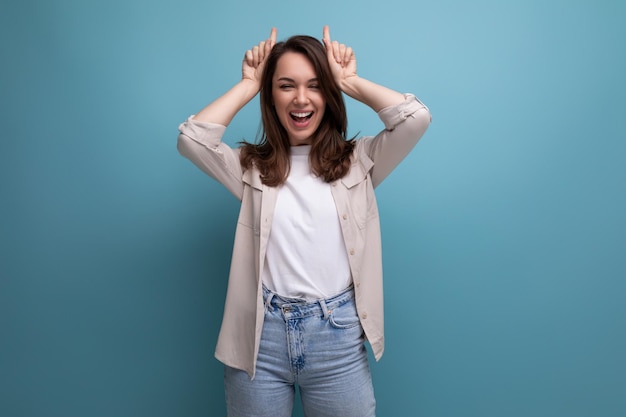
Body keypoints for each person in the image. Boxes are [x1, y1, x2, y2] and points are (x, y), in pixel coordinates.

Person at [177, 26, 431, 417]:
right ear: (271, 96)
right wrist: (248, 84)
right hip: (260, 342)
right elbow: (193, 140)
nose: (300, 98)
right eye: (285, 86)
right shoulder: (250, 168)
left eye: (315, 85)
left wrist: (348, 80)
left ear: (328, 96)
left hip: (337, 337)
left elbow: (415, 119)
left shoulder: (358, 162)